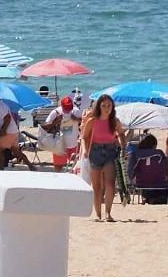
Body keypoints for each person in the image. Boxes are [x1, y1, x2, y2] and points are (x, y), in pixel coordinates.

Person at [82, 93, 125, 222]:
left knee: (110, 183)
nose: (107, 108)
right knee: (97, 186)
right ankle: (98, 214)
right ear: (99, 106)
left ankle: (108, 213)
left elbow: (121, 134)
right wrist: (84, 150)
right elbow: (84, 137)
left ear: (113, 107)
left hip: (110, 151)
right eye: (104, 105)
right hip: (95, 152)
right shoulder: (92, 121)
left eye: (109, 105)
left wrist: (123, 146)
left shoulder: (114, 121)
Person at [0, 88, 28, 169]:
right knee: (16, 152)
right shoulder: (0, 105)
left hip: (8, 132)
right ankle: (31, 166)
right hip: (13, 131)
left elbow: (7, 118)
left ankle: (1, 169)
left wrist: (3, 130)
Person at [43, 95, 82, 170]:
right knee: (58, 166)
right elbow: (45, 126)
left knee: (77, 165)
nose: (68, 111)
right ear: (61, 106)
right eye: (66, 109)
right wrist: (55, 121)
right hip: (59, 144)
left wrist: (76, 119)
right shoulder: (56, 112)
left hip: (73, 144)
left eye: (69, 108)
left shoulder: (76, 110)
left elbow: (84, 122)